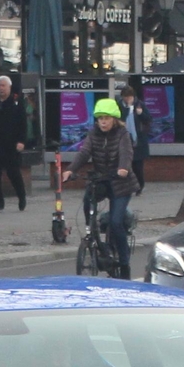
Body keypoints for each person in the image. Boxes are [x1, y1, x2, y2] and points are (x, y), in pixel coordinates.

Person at [64, 97, 136, 271]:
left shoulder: (122, 134)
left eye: (106, 118)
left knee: (116, 222)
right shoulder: (93, 134)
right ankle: (92, 230)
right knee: (88, 199)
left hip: (121, 183)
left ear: (114, 119)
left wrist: (123, 168)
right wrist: (70, 170)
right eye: (100, 118)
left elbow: (126, 153)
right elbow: (84, 152)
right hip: (102, 179)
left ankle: (124, 260)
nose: (103, 122)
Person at [0, 75, 30, 211]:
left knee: (13, 173)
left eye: (3, 86)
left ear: (9, 87)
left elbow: (23, 124)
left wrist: (22, 141)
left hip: (11, 144)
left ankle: (21, 197)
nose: (1, 88)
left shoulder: (16, 102)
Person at [127, 93, 151, 192]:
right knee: (127, 165)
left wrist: (140, 113)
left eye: (129, 97)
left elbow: (148, 119)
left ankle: (139, 186)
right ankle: (129, 186)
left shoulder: (140, 105)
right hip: (126, 140)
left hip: (138, 141)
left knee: (137, 166)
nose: (128, 99)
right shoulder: (121, 106)